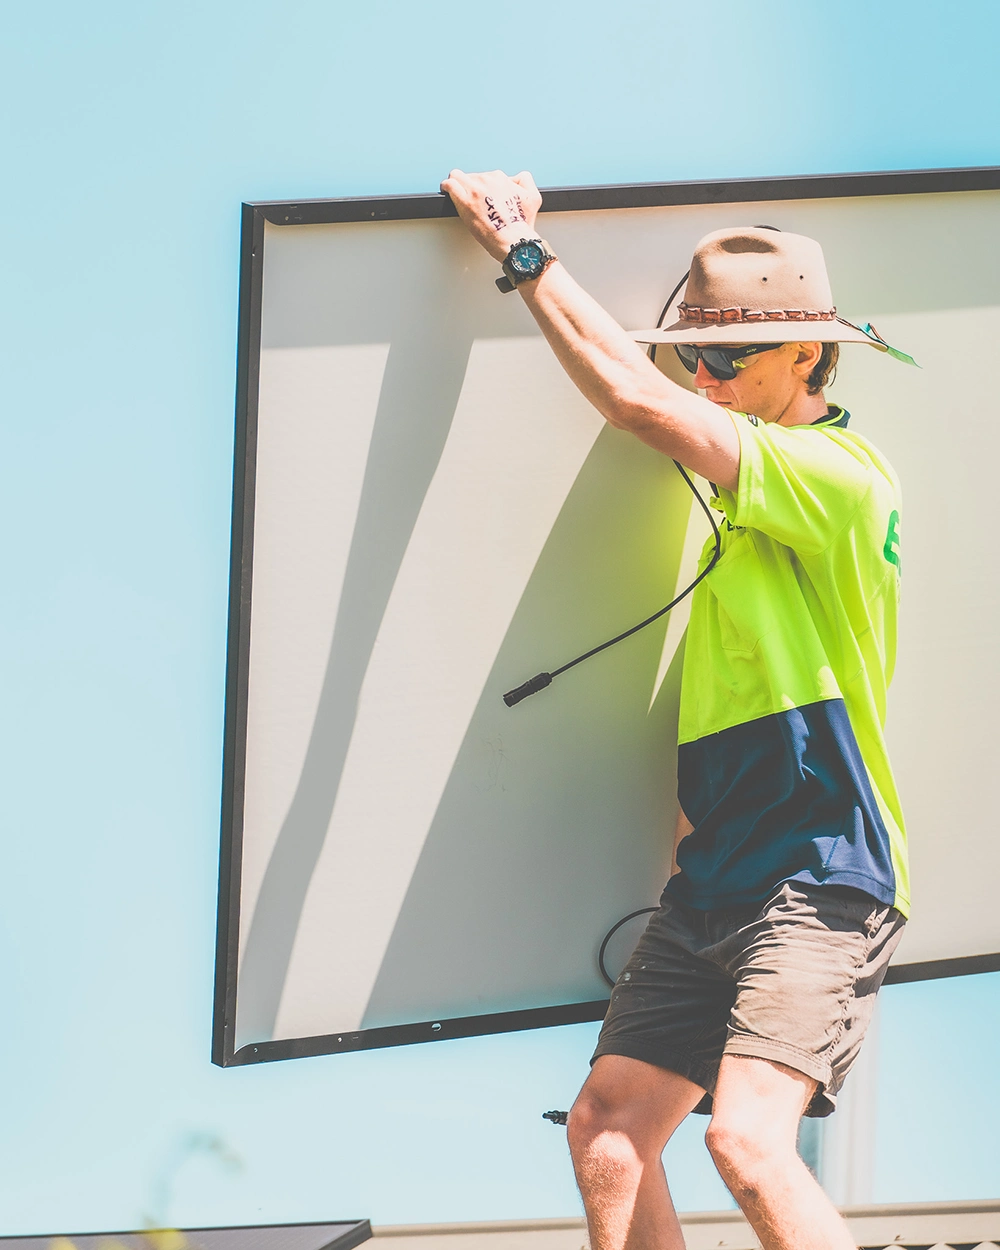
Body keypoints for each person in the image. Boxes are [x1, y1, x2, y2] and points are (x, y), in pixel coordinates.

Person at [442, 169, 911, 1250]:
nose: (702, 376)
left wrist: (520, 250)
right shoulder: (751, 494)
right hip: (718, 877)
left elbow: (634, 400)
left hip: (818, 868)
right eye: (690, 353)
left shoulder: (833, 474)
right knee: (608, 1133)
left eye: (728, 357)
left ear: (808, 351)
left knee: (746, 1142)